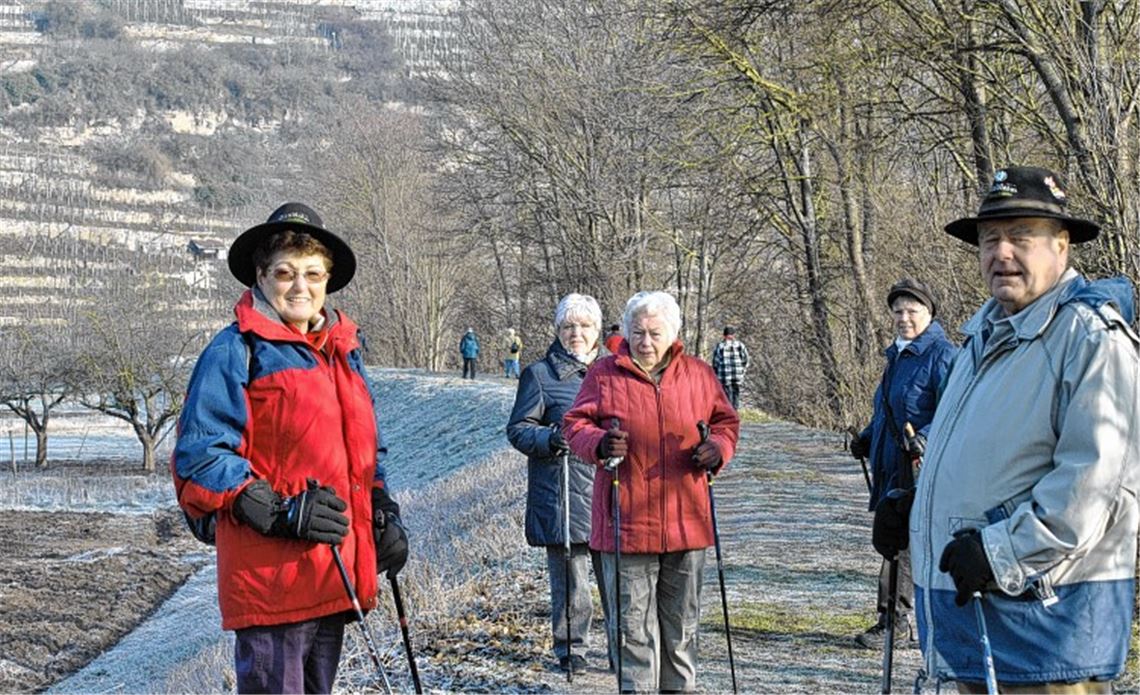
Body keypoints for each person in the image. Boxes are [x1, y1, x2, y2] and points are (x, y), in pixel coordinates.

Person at [873, 166, 1139, 692]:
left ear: (1062, 248)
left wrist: (1000, 552)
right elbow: (988, 458)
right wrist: (917, 502)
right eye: (990, 239)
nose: (1002, 253)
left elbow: (1094, 488)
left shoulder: (1091, 340)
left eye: (1021, 238)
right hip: (981, 623)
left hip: (1048, 636)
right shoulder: (984, 337)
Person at [170, 203, 410, 694]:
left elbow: (366, 454)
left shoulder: (343, 352)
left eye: (312, 273)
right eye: (285, 272)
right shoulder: (235, 350)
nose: (300, 286)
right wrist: (280, 511)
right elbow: (201, 456)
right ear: (261, 277)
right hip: (272, 578)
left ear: (328, 280)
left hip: (332, 572)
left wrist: (381, 511)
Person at [563, 291, 740, 692]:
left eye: (654, 333)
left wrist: (718, 449)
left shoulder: (698, 374)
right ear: (626, 332)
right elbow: (574, 425)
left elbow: (727, 422)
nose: (645, 341)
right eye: (638, 332)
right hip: (626, 524)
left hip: (686, 523)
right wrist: (599, 444)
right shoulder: (604, 374)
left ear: (674, 333)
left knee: (682, 631)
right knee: (632, 634)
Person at [848, 278, 956, 650]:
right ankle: (894, 621)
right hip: (890, 463)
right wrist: (865, 437)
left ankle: (897, 623)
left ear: (929, 313)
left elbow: (952, 411)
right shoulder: (896, 355)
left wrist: (923, 437)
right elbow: (888, 410)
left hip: (918, 466)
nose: (904, 317)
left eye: (912, 310)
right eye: (898, 311)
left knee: (903, 544)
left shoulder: (942, 355)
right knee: (892, 540)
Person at [506, 293, 611, 673]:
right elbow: (518, 429)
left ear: (597, 330)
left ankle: (622, 652)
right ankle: (571, 649)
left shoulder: (614, 371)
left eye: (584, 326)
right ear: (558, 331)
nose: (576, 334)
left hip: (610, 491)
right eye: (568, 327)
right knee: (572, 585)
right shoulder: (539, 374)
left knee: (617, 582)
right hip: (562, 491)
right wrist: (550, 439)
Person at [710, 325, 750, 409]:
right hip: (738, 375)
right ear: (733, 335)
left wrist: (716, 372)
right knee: (736, 393)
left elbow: (716, 362)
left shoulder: (720, 346)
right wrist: (742, 369)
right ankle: (735, 411)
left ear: (724, 335)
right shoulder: (740, 345)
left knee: (727, 396)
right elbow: (746, 359)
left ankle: (730, 412)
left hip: (724, 375)